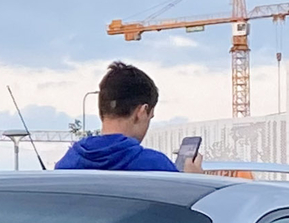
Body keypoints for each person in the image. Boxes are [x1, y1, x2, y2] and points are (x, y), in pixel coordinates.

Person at [56, 62, 197, 172]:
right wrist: (194, 183)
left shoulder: (65, 165)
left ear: (101, 111)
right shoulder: (156, 166)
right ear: (142, 112)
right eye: (150, 117)